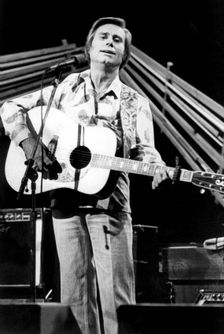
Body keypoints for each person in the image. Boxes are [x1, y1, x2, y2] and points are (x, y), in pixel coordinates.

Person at [0, 17, 168, 334]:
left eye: (118, 40)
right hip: (64, 199)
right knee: (75, 298)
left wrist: (156, 164)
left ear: (125, 55)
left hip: (110, 204)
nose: (110, 42)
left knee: (116, 301)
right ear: (90, 47)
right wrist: (28, 140)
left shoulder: (135, 103)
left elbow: (145, 149)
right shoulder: (64, 89)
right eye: (103, 37)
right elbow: (9, 107)